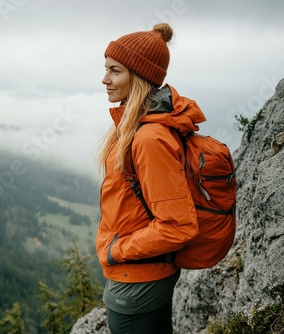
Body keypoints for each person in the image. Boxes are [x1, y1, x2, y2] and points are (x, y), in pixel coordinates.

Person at [95, 23, 204, 333]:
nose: (105, 79)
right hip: (144, 272)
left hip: (136, 278)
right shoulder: (136, 128)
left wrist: (117, 250)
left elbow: (179, 225)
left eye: (115, 71)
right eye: (106, 69)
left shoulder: (149, 138)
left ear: (139, 77)